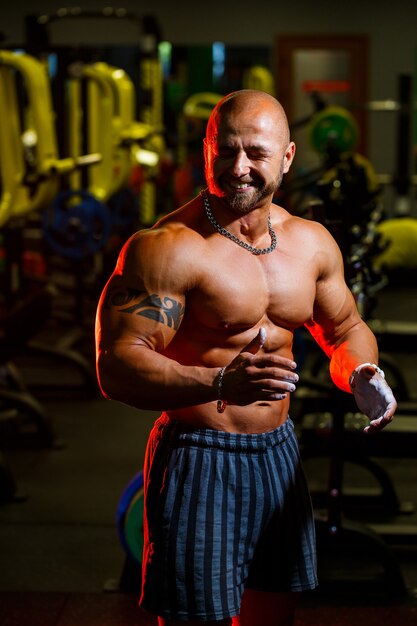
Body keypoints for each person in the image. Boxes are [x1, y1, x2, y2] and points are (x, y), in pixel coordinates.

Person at [95, 89, 397, 626]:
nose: (239, 168)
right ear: (206, 148)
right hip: (198, 453)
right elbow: (117, 364)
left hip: (279, 455)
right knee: (196, 618)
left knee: (272, 613)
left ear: (286, 156)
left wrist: (362, 371)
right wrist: (217, 383)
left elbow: (345, 327)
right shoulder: (166, 247)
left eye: (256, 153)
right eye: (225, 150)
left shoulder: (311, 244)